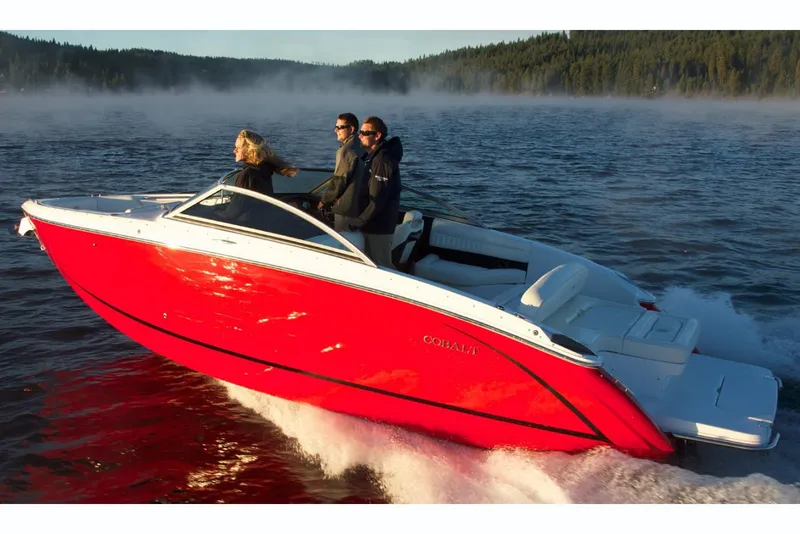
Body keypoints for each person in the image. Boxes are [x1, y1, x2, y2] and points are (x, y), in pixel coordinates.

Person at [349, 116, 403, 269]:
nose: (360, 136)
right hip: (373, 223)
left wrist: (360, 221)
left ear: (377, 136)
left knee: (382, 266)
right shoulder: (373, 158)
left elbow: (378, 197)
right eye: (360, 132)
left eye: (365, 133)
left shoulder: (382, 161)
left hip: (379, 226)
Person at [223, 129, 298, 223]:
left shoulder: (248, 175)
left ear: (250, 150)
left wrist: (215, 212)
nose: (234, 151)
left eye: (238, 147)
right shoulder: (264, 170)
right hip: (261, 222)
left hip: (246, 225)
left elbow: (232, 213)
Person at [318, 113, 367, 232]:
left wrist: (324, 201)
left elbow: (339, 181)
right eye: (336, 127)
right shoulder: (362, 146)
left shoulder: (346, 150)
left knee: (343, 242)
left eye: (340, 127)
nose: (336, 130)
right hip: (360, 206)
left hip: (346, 208)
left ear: (351, 129)